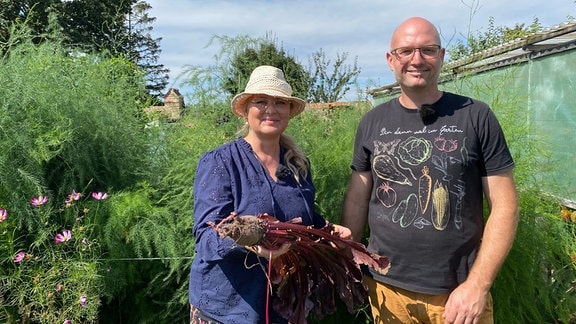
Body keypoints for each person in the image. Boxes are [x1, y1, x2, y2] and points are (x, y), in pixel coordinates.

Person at [340, 17, 519, 324]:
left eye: (428, 50)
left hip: (456, 297)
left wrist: (478, 285)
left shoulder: (475, 116)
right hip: (385, 290)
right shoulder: (372, 121)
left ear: (442, 56)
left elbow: (505, 206)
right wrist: (347, 260)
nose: (417, 60)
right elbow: (358, 198)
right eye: (406, 51)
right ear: (390, 59)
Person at [189, 65, 351, 324]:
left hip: (284, 304)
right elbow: (206, 238)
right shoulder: (221, 161)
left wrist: (328, 230)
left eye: (280, 102)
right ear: (245, 110)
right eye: (261, 101)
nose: (271, 109)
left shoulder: (297, 164)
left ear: (289, 111)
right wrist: (250, 242)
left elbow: (301, 219)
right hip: (227, 308)